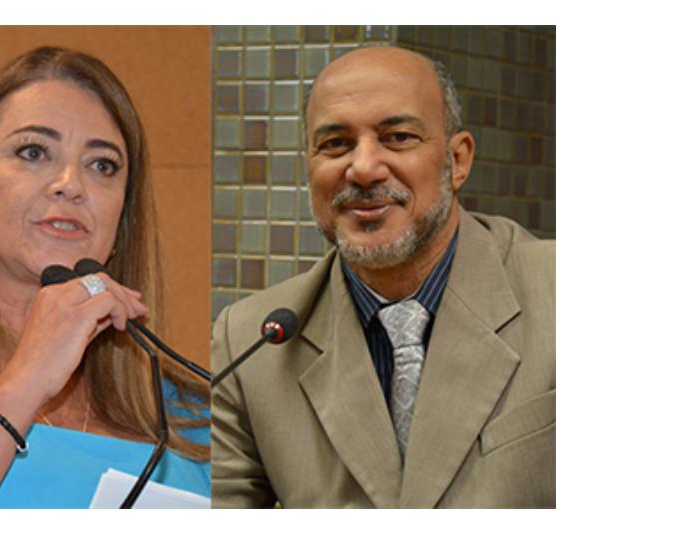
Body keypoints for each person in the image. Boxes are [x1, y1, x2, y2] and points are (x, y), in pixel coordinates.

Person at [210, 46, 554, 508]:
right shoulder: (248, 341)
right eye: (336, 144)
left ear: (458, 160)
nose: (364, 168)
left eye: (398, 137)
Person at [0, 46, 210, 508]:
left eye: (102, 165)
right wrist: (27, 379)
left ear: (122, 215)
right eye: (33, 152)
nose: (71, 184)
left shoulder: (192, 411)